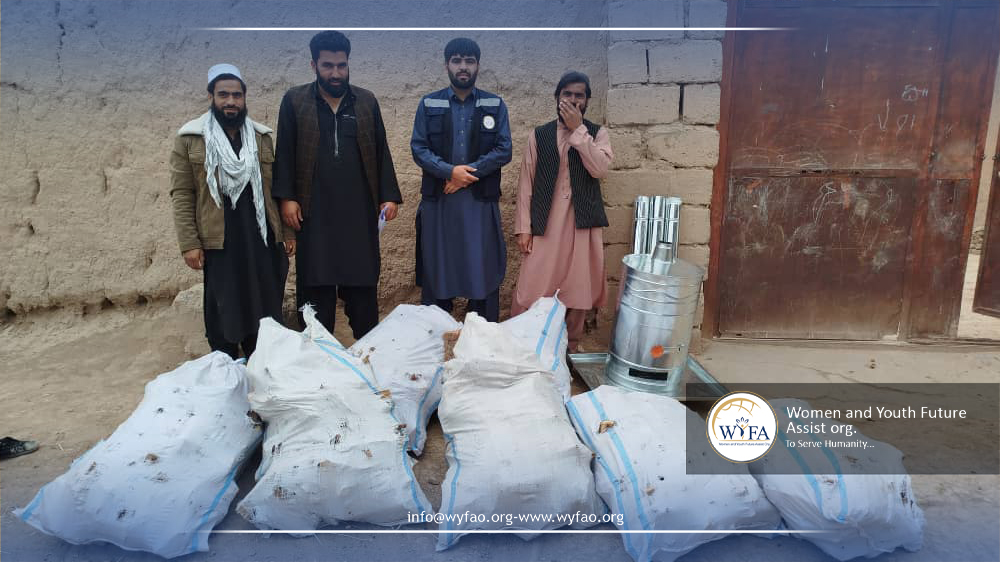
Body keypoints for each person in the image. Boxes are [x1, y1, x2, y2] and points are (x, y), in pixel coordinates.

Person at [273, 31, 402, 339]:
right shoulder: (295, 101)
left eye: (341, 66)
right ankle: (318, 351)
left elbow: (380, 150)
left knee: (363, 288)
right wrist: (287, 198)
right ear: (313, 65)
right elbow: (285, 152)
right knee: (315, 287)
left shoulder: (365, 101)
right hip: (314, 215)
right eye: (327, 65)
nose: (335, 73)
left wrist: (388, 195)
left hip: (358, 215)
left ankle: (367, 351)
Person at [170, 64, 291, 359]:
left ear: (244, 98)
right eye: (223, 94)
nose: (231, 101)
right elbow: (182, 193)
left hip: (260, 235)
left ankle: (260, 357)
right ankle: (226, 359)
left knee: (264, 298)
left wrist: (287, 232)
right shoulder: (190, 138)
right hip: (219, 238)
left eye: (237, 95)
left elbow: (276, 188)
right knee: (224, 303)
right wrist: (189, 243)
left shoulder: (261, 137)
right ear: (211, 96)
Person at [511, 71, 613, 352]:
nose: (573, 99)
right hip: (545, 221)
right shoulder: (539, 135)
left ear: (587, 100)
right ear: (557, 97)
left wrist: (579, 131)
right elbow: (526, 183)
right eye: (567, 94)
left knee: (577, 287)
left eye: (579, 95)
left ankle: (569, 348)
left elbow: (600, 169)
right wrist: (523, 228)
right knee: (532, 285)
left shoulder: (597, 134)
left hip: (582, 223)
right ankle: (524, 344)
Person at [411, 38, 512, 322]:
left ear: (478, 65)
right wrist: (448, 171)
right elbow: (419, 148)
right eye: (456, 60)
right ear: (447, 65)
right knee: (438, 267)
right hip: (440, 202)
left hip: (479, 205)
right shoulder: (429, 103)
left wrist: (466, 175)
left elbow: (504, 149)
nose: (463, 67)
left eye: (469, 61)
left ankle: (482, 333)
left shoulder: (494, 104)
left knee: (482, 268)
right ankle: (436, 332)